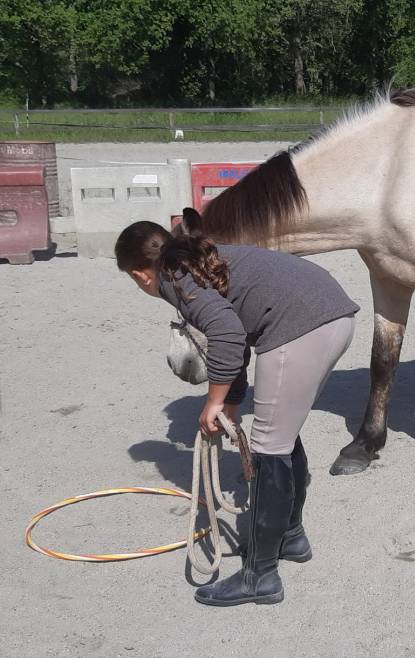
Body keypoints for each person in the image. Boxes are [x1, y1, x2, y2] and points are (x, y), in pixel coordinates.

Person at [114, 215, 359, 606]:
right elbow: (239, 334)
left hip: (302, 324)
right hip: (331, 315)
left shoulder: (177, 280)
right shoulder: (194, 259)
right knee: (281, 433)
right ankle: (290, 537)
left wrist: (213, 401)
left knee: (269, 446)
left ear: (141, 275)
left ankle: (259, 576)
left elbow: (226, 332)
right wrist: (231, 401)